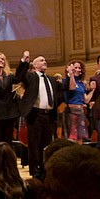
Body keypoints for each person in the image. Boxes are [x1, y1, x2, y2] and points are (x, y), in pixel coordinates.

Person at [15, 50, 61, 179]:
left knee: (46, 143)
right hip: (35, 114)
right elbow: (19, 76)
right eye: (41, 60)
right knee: (34, 144)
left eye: (45, 60)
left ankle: (44, 169)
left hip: (49, 115)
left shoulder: (51, 79)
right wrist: (24, 60)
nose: (44, 61)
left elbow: (65, 88)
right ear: (34, 65)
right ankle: (35, 172)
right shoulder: (31, 76)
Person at [63, 60, 92, 143]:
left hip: (81, 111)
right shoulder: (66, 80)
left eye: (79, 68)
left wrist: (92, 90)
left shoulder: (81, 83)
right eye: (75, 67)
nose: (78, 70)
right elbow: (72, 87)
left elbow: (85, 100)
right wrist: (71, 74)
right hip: (71, 112)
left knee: (81, 136)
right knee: (71, 137)